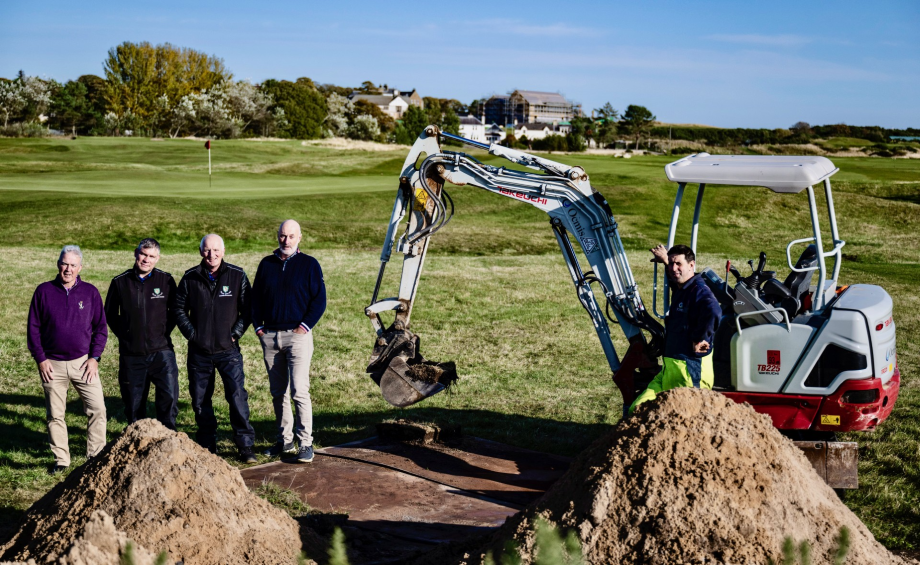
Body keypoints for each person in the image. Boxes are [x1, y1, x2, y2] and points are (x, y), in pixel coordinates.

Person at [174, 234, 257, 463]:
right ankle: (208, 444)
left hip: (228, 351)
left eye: (216, 250)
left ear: (224, 251)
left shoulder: (237, 275)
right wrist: (192, 334)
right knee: (201, 401)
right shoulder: (191, 277)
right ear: (201, 251)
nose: (212, 255)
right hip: (199, 353)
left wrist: (235, 333)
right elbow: (178, 308)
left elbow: (248, 309)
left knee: (237, 397)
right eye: (207, 250)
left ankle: (245, 446)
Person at [27, 245, 108, 475]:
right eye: (65, 263)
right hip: (52, 365)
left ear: (80, 267)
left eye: (73, 265)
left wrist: (94, 358)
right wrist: (41, 359)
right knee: (55, 414)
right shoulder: (43, 291)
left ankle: (95, 457)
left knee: (97, 409)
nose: (68, 269)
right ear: (58, 264)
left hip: (83, 363)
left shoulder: (90, 292)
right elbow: (33, 329)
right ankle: (61, 460)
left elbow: (101, 328)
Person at [252, 220, 326, 463]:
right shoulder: (267, 264)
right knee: (278, 393)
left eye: (291, 236)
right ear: (277, 236)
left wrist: (303, 327)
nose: (286, 241)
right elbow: (256, 299)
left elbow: (319, 300)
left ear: (299, 238)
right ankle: (285, 441)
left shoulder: (309, 264)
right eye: (283, 236)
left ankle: (305, 442)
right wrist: (260, 328)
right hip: (271, 337)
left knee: (299, 391)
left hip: (298, 337)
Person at [629, 244, 721, 413]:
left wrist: (701, 338)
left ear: (692, 265)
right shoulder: (683, 288)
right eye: (671, 263)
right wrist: (665, 261)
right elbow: (674, 278)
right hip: (669, 371)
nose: (673, 268)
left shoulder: (699, 291)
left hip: (689, 374)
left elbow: (714, 311)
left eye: (678, 264)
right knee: (637, 410)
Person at [104, 238, 179, 430]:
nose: (147, 259)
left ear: (158, 259)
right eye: (144, 254)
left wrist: (162, 332)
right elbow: (110, 314)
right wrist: (126, 335)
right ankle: (138, 446)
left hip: (161, 351)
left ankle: (169, 440)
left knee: (168, 397)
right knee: (134, 406)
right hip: (132, 354)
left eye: (152, 256)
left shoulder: (166, 280)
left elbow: (176, 311)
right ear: (136, 253)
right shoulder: (120, 282)